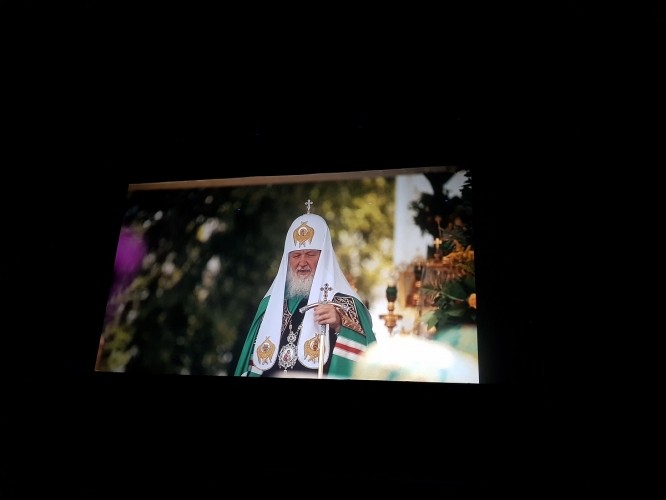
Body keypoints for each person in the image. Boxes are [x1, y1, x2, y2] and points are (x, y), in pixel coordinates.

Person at [234, 200, 377, 378]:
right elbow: (252, 366)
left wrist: (340, 324)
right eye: (296, 255)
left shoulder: (346, 303)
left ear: (323, 257)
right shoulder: (271, 305)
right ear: (287, 260)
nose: (302, 262)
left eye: (310, 254)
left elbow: (367, 357)